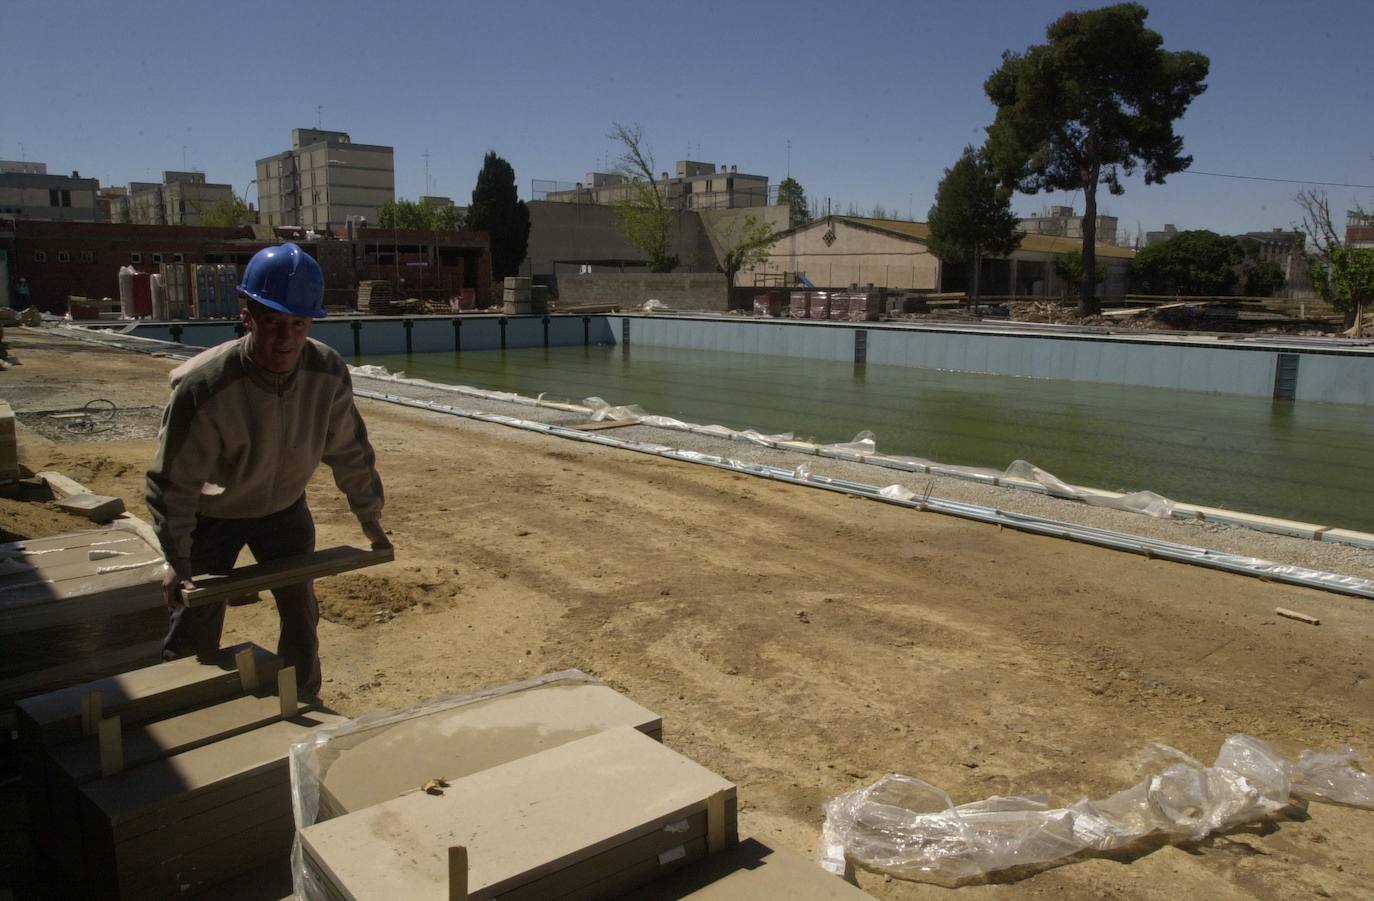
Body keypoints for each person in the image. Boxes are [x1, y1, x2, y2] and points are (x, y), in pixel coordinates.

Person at [146, 243, 389, 698]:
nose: (286, 338)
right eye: (274, 322)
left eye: (298, 324)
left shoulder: (326, 372)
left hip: (283, 510)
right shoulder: (206, 386)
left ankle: (302, 705)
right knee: (194, 616)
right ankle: (177, 708)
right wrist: (176, 558)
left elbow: (350, 450)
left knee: (300, 615)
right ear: (249, 314)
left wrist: (369, 515)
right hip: (211, 517)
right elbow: (172, 481)